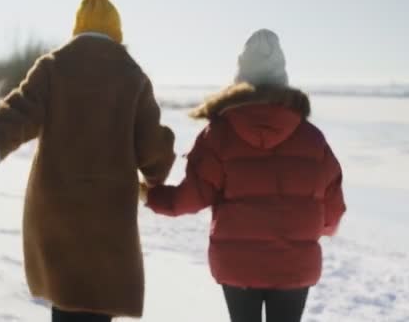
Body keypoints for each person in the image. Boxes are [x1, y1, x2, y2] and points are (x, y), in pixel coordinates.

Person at [0, 0, 175, 321]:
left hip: (56, 208)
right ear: (116, 33)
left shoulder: (54, 66)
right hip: (109, 214)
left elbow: (19, 110)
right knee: (98, 301)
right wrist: (156, 175)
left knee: (65, 298)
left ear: (77, 30)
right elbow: (151, 147)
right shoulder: (132, 76)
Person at [141, 29, 346, 322]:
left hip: (237, 266)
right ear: (283, 80)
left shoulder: (219, 134)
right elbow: (332, 211)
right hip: (294, 266)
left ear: (240, 80)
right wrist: (309, 231)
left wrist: (150, 195)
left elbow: (186, 199)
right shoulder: (313, 140)